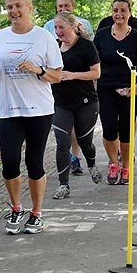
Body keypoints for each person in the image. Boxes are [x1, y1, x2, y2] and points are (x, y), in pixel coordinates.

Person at [0, 0, 62, 234]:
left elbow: (57, 76)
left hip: (38, 109)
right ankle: (16, 208)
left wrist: (38, 69)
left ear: (29, 7)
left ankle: (36, 213)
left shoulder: (44, 38)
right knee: (9, 162)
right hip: (9, 110)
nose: (14, 11)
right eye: (9, 7)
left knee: (34, 163)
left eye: (18, 6)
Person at [94, 0, 137, 185]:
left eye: (122, 11)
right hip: (106, 89)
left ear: (129, 13)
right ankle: (113, 163)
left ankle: (126, 166)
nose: (118, 14)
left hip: (130, 90)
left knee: (126, 131)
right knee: (109, 129)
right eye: (115, 11)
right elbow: (93, 61)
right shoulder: (102, 35)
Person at [50, 12, 102, 199]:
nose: (58, 32)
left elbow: (96, 73)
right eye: (55, 28)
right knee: (62, 143)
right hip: (60, 103)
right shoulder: (54, 47)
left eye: (61, 27)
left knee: (84, 141)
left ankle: (91, 163)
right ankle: (64, 184)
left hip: (85, 102)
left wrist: (72, 75)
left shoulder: (86, 46)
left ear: (72, 26)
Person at [43, 0, 94, 174]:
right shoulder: (48, 27)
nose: (63, 9)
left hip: (80, 87)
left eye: (67, 6)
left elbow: (90, 56)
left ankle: (77, 154)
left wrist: (76, 74)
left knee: (79, 129)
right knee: (64, 128)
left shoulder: (84, 26)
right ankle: (71, 160)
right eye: (60, 7)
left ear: (73, 7)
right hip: (57, 87)